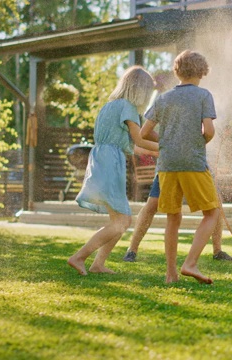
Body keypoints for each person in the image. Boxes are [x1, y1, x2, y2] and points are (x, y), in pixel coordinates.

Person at [67, 65, 157, 276]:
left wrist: (158, 153)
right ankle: (79, 257)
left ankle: (98, 264)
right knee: (122, 221)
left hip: (102, 159)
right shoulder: (128, 108)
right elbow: (139, 139)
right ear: (141, 90)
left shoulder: (110, 106)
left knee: (121, 220)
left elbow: (131, 146)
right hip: (109, 163)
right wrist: (166, 147)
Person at [140, 50, 220, 284]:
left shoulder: (163, 98)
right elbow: (210, 131)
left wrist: (167, 142)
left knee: (172, 218)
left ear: (177, 71)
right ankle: (191, 263)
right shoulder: (204, 95)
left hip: (166, 165)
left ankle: (170, 274)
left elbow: (144, 133)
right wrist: (198, 142)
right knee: (211, 212)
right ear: (202, 71)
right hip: (192, 163)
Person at [122, 173, 232, 262]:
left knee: (215, 203)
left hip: (195, 167)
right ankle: (132, 249)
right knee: (152, 204)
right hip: (169, 167)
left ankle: (218, 251)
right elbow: (143, 144)